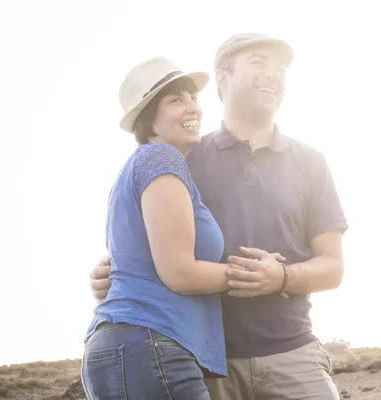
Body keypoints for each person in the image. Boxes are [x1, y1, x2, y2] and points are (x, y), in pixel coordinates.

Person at [90, 33, 348, 400]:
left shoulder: (311, 162)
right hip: (206, 360)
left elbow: (333, 268)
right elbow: (146, 238)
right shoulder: (181, 157)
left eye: (281, 68)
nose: (273, 74)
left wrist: (282, 276)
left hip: (293, 354)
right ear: (223, 78)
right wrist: (111, 273)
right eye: (259, 62)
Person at [81, 56, 282, 400]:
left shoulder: (142, 168)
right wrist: (257, 274)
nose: (193, 108)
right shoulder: (162, 158)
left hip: (129, 346)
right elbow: (180, 273)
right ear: (149, 118)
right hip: (151, 343)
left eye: (193, 98)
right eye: (176, 99)